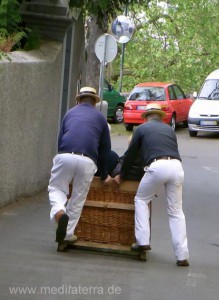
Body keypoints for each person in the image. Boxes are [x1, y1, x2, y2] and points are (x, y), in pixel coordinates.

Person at [116, 103, 189, 266]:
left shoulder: (142, 129)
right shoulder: (169, 130)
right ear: (160, 117)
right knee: (176, 212)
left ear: (146, 117)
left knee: (141, 200)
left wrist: (122, 174)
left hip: (157, 166)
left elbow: (131, 155)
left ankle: (142, 241)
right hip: (177, 167)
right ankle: (182, 255)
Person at [48, 87, 112, 250]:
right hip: (88, 160)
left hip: (65, 155)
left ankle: (59, 211)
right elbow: (105, 149)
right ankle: (67, 235)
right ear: (95, 102)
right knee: (77, 198)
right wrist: (104, 174)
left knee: (56, 188)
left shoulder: (69, 113)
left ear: (79, 100)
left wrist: (60, 158)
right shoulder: (100, 118)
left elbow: (60, 138)